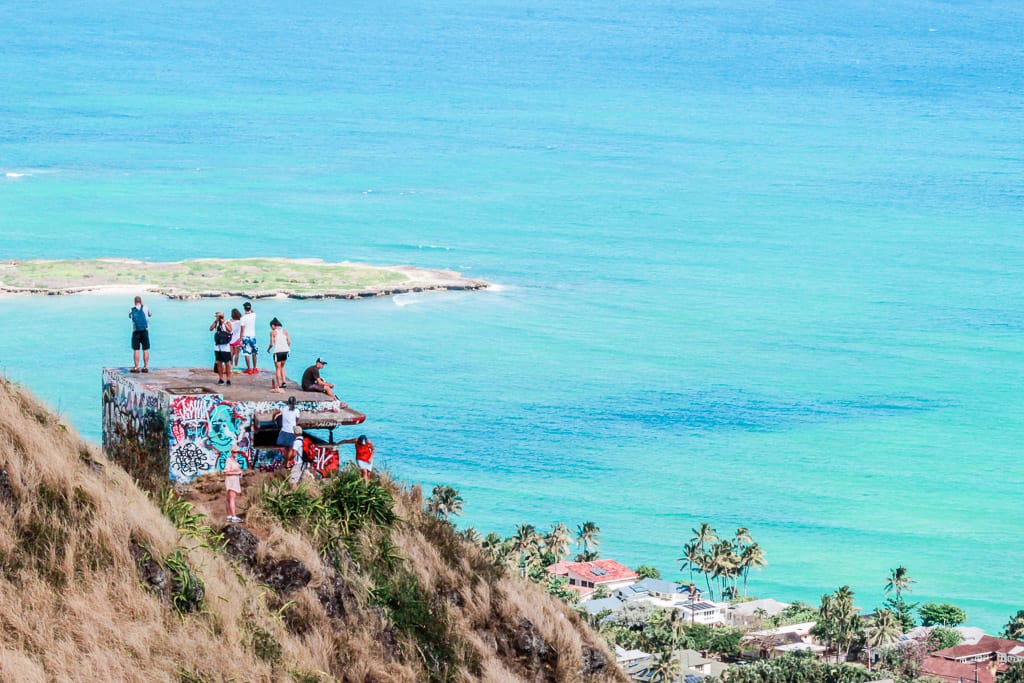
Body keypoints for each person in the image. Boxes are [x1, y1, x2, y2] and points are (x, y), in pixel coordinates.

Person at [128, 296, 152, 373]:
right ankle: (145, 367)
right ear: (141, 301)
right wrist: (143, 305)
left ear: (134, 302)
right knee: (145, 349)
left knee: (136, 350)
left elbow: (130, 317)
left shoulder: (131, 310)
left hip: (136, 332)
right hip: (145, 331)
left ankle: (136, 367)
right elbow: (150, 314)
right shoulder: (145, 308)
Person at [209, 311, 233, 386]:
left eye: (219, 316)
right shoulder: (216, 323)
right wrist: (216, 321)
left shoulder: (227, 322)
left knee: (227, 363)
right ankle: (221, 378)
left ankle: (228, 379)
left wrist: (224, 323)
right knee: (219, 362)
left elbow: (230, 330)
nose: (218, 317)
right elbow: (210, 329)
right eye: (217, 316)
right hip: (218, 346)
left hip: (225, 347)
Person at [268, 317, 291, 393]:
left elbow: (271, 344)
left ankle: (279, 385)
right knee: (282, 367)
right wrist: (285, 347)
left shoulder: (273, 332)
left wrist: (268, 349)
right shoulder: (285, 331)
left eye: (271, 326)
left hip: (278, 352)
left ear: (273, 325)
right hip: (286, 351)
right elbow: (289, 342)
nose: (271, 327)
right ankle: (284, 382)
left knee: (278, 368)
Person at [224, 448, 244, 523]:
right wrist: (237, 473)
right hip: (231, 481)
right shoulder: (229, 460)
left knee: (229, 498)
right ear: (231, 452)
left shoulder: (234, 461)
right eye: (234, 452)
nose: (236, 453)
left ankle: (229, 516)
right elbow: (226, 472)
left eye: (237, 452)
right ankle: (234, 517)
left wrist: (240, 473)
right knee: (232, 498)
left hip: (234, 480)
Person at [240, 302, 259, 375]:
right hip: (253, 336)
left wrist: (240, 340)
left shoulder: (242, 318)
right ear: (250, 308)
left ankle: (249, 369)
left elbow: (242, 330)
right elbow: (253, 311)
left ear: (244, 309)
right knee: (254, 352)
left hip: (245, 337)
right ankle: (255, 368)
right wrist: (250, 310)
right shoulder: (254, 315)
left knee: (246, 353)